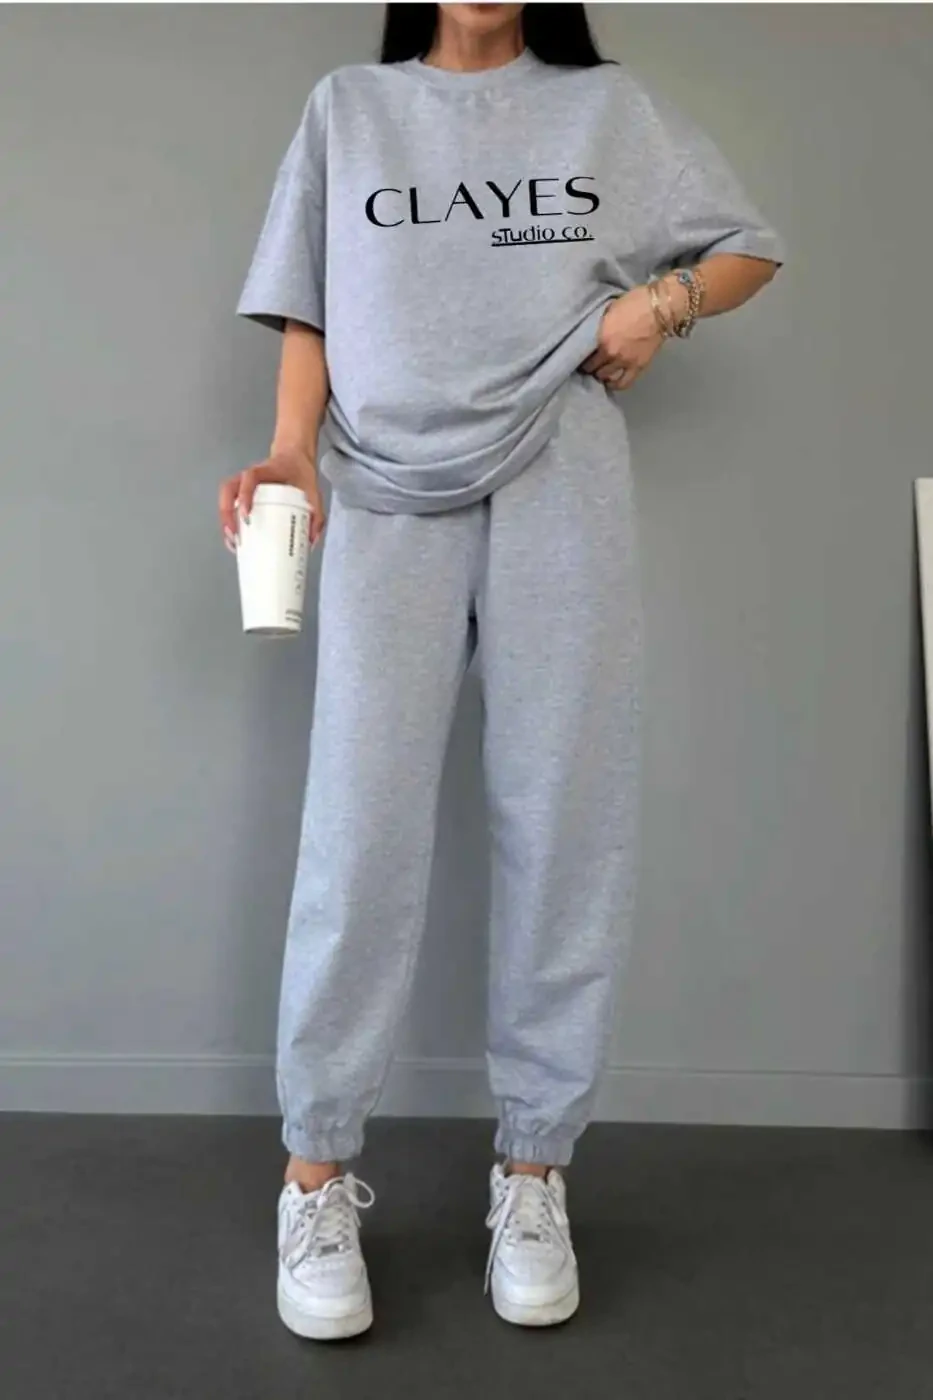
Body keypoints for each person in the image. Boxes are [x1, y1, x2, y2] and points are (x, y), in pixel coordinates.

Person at [220, 1, 784, 1340]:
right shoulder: (350, 111)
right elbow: (309, 305)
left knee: (564, 817)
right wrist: (291, 451)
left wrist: (660, 303)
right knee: (359, 829)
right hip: (380, 485)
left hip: (559, 477)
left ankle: (535, 1172)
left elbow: (748, 248)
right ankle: (314, 1177)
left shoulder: (608, 112)